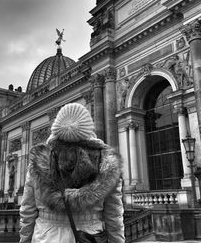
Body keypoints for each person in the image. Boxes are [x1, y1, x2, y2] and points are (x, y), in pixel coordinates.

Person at [19, 103, 125, 243]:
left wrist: (25, 240)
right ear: (88, 128)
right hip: (89, 237)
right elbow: (114, 216)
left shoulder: (39, 162)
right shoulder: (107, 164)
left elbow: (27, 211)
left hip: (45, 237)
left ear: (56, 128)